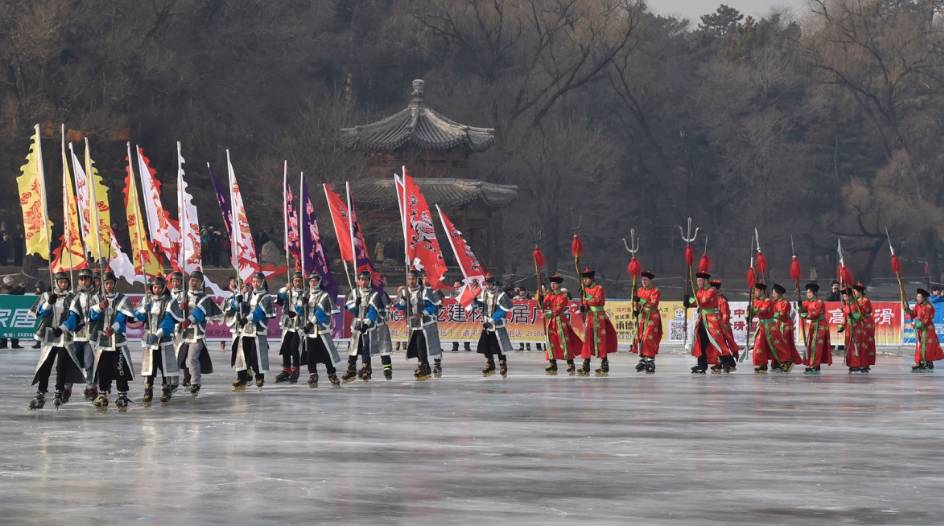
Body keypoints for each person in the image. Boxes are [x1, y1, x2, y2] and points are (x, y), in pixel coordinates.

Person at [27, 272, 85, 409]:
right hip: (49, 334)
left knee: (61, 366)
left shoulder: (72, 297)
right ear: (56, 283)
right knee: (45, 364)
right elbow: (40, 313)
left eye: (65, 282)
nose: (63, 284)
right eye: (61, 282)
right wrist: (49, 303)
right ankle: (41, 392)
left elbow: (74, 317)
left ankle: (59, 391)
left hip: (64, 335)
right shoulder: (47, 295)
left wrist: (63, 328)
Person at [87, 271, 135, 409]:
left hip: (118, 339)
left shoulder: (122, 298)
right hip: (102, 341)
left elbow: (122, 318)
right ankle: (102, 393)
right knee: (102, 368)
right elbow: (91, 316)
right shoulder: (96, 298)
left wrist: (113, 328)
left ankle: (122, 394)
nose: (108, 286)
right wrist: (99, 307)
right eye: (106, 283)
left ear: (114, 284)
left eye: (110, 283)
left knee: (119, 368)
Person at [135, 275, 182, 404]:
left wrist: (159, 333)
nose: (156, 289)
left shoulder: (169, 301)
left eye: (159, 287)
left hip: (164, 339)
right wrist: (144, 310)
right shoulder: (147, 299)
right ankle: (148, 389)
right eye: (154, 287)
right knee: (150, 366)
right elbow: (137, 315)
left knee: (164, 366)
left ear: (163, 288)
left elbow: (169, 320)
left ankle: (166, 389)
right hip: (149, 339)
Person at [173, 271, 220, 395]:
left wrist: (189, 320)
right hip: (183, 332)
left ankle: (195, 383)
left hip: (197, 333)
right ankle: (176, 382)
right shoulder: (182, 295)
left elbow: (199, 313)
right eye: (192, 280)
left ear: (201, 283)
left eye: (197, 281)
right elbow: (173, 311)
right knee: (180, 357)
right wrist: (180, 309)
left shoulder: (204, 298)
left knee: (192, 358)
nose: (194, 283)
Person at [228, 272, 276, 390]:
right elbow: (242, 308)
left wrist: (246, 318)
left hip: (258, 328)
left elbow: (259, 313)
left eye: (258, 281)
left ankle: (259, 376)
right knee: (242, 353)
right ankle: (242, 377)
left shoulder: (266, 297)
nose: (255, 284)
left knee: (256, 354)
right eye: (254, 281)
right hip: (246, 329)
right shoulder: (249, 294)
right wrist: (238, 300)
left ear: (263, 282)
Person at [343, 271, 394, 382]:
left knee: (381, 347)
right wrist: (356, 304)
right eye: (362, 279)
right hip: (361, 324)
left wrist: (372, 319)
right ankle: (354, 369)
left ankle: (386, 368)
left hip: (378, 324)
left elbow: (381, 309)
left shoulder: (378, 294)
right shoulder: (355, 292)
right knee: (355, 347)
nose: (364, 281)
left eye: (366, 279)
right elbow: (352, 309)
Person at [685, 272, 738, 374]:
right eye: (697, 281)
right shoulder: (700, 291)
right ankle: (701, 365)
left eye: (700, 281)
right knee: (701, 341)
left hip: (712, 320)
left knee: (717, 342)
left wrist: (693, 298)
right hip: (702, 319)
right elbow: (696, 302)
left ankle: (730, 362)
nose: (698, 283)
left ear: (705, 281)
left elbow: (703, 301)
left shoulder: (712, 290)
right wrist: (688, 301)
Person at [395, 270, 443, 380]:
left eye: (413, 279)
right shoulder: (405, 292)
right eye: (409, 279)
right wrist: (403, 299)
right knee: (418, 345)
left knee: (431, 344)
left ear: (418, 279)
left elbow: (434, 307)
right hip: (414, 324)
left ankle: (435, 364)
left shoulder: (426, 291)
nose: (411, 281)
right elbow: (399, 307)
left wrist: (423, 313)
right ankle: (423, 365)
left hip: (427, 322)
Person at [62, 268, 98, 400]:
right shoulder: (75, 297)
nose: (83, 281)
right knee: (72, 362)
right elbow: (72, 315)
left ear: (91, 281)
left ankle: (90, 388)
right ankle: (66, 388)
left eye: (86, 279)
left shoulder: (97, 296)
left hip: (91, 336)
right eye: (81, 279)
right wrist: (64, 327)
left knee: (89, 362)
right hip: (77, 336)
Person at [301, 274, 341, 387]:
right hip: (309, 331)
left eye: (315, 281)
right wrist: (302, 304)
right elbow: (300, 311)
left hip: (321, 329)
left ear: (319, 282)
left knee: (326, 354)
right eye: (311, 281)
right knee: (310, 354)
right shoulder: (306, 294)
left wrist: (310, 323)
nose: (313, 283)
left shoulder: (324, 295)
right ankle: (313, 374)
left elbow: (320, 312)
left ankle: (332, 374)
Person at [577, 266, 617, 376]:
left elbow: (598, 301)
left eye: (586, 279)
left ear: (591, 279)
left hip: (599, 317)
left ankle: (604, 365)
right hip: (590, 317)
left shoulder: (599, 288)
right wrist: (583, 307)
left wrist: (587, 298)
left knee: (601, 340)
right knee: (587, 340)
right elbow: (586, 303)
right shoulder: (584, 290)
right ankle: (586, 366)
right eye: (583, 279)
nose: (584, 281)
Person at [540, 272, 579, 375]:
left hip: (560, 321)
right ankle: (552, 364)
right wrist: (540, 299)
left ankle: (570, 364)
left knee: (564, 342)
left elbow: (558, 309)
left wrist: (547, 313)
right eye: (552, 283)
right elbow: (543, 306)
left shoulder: (563, 296)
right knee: (551, 342)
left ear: (559, 285)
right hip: (551, 322)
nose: (553, 285)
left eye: (555, 283)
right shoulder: (549, 295)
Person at [474, 275, 512, 377]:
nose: (487, 285)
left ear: (494, 283)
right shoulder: (485, 292)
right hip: (486, 323)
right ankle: (490, 363)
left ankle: (502, 363)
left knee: (499, 345)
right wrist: (475, 301)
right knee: (486, 344)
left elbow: (503, 310)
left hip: (497, 323)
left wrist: (492, 320)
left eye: (489, 283)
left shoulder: (501, 294)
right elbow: (482, 305)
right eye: (486, 284)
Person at [275, 272, 306, 384]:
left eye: (299, 280)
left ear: (302, 282)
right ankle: (286, 369)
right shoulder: (289, 292)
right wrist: (285, 288)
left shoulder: (305, 293)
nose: (297, 283)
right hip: (288, 324)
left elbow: (302, 307)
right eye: (295, 280)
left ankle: (295, 370)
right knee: (285, 347)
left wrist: (296, 312)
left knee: (294, 347)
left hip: (299, 324)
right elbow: (280, 298)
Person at [904, 288, 944, 371]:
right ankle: (921, 362)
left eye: (919, 297)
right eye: (917, 296)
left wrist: (917, 325)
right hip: (920, 329)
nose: (917, 298)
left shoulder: (928, 307)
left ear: (924, 298)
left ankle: (928, 363)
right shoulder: (917, 305)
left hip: (928, 329)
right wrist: (907, 310)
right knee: (920, 346)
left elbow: (926, 320)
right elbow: (913, 314)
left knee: (927, 346)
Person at [797, 282, 832, 374]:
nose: (808, 294)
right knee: (812, 345)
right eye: (807, 292)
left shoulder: (819, 302)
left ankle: (814, 365)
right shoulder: (807, 302)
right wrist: (800, 305)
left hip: (820, 325)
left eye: (810, 292)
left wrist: (806, 315)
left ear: (814, 293)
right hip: (813, 325)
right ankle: (813, 365)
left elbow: (815, 313)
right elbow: (801, 310)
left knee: (816, 346)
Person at [632, 271, 662, 374]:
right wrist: (636, 310)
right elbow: (638, 304)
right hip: (644, 317)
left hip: (653, 317)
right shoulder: (639, 290)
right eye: (642, 280)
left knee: (648, 338)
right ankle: (643, 359)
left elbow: (653, 303)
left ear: (650, 281)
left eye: (646, 280)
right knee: (639, 337)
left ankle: (650, 360)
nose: (644, 282)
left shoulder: (655, 291)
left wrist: (641, 300)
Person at [709, 279, 740, 371]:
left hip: (722, 327)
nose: (711, 291)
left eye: (713, 289)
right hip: (713, 326)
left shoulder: (722, 301)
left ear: (717, 290)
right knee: (715, 345)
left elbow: (725, 314)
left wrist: (723, 326)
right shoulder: (710, 299)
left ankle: (730, 363)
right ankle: (718, 363)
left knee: (723, 346)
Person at [771, 284, 802, 372]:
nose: (772, 295)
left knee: (783, 345)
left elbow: (782, 314)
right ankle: (778, 363)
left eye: (774, 293)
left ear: (779, 293)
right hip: (779, 325)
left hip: (785, 326)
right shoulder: (776, 302)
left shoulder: (785, 302)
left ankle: (786, 362)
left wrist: (772, 314)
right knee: (778, 344)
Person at [852, 282, 877, 371]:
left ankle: (865, 363)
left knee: (865, 343)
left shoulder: (865, 300)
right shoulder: (854, 300)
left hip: (866, 323)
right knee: (858, 342)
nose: (854, 293)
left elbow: (865, 311)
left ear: (860, 292)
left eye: (855, 291)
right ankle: (858, 362)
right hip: (858, 323)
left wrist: (856, 314)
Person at [450, 280, 472, 352]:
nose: (456, 288)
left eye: (457, 286)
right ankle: (455, 346)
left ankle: (467, 346)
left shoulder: (464, 293)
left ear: (461, 286)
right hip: (455, 315)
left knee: (465, 331)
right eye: (455, 287)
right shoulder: (452, 293)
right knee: (454, 331)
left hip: (463, 315)